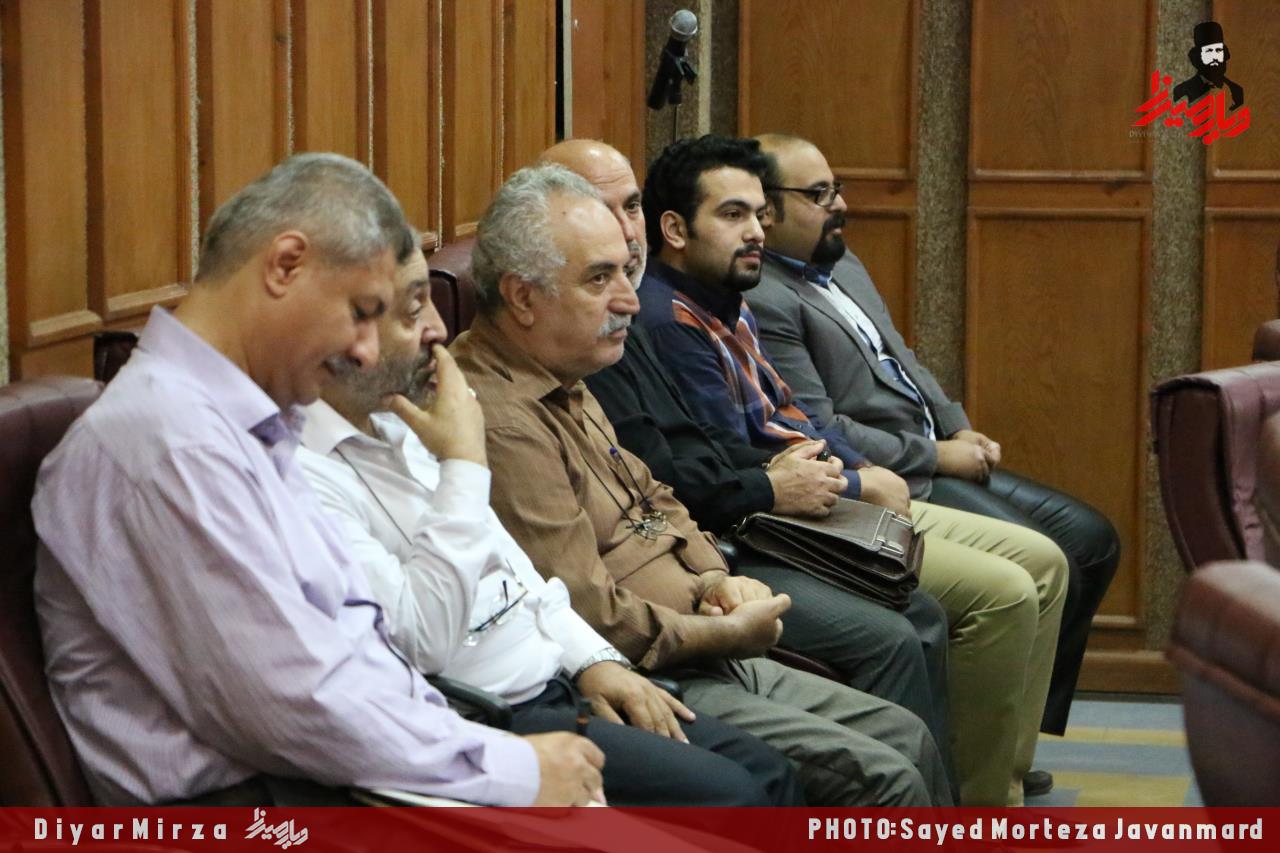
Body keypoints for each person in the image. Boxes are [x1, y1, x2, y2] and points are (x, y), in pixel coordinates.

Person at [32, 153, 604, 807]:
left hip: (348, 774)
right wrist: (510, 769)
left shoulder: (245, 423)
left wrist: (483, 754)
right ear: (285, 266)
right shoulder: (167, 439)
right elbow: (296, 704)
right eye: (362, 311)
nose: (366, 351)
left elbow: (362, 650)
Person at [451, 162, 952, 807]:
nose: (630, 299)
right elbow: (588, 614)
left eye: (623, 273)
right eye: (600, 279)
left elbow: (655, 494)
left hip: (706, 627)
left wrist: (717, 579)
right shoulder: (500, 420)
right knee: (886, 774)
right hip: (656, 670)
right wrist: (728, 631)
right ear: (522, 297)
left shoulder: (565, 369)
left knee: (906, 733)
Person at [635, 134, 1067, 806]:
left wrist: (863, 468)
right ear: (674, 229)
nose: (755, 232)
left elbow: (799, 414)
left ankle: (979, 790)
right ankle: (967, 801)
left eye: (757, 214)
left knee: (1043, 561)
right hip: (772, 523)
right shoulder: (668, 319)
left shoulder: (724, 298)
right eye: (733, 214)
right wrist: (859, 478)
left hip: (824, 488)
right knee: (973, 601)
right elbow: (719, 462)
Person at [295, 242, 803, 806]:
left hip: (561, 673)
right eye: (414, 310)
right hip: (485, 716)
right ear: (343, 331)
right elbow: (424, 643)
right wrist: (464, 462)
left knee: (768, 771)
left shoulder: (397, 419)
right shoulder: (301, 474)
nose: (437, 329)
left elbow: (516, 571)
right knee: (738, 795)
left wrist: (592, 661)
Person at [750, 132, 1120, 739]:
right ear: (767, 209)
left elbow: (901, 357)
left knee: (1093, 540)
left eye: (837, 188)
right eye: (819, 194)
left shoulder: (839, 262)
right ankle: (989, 752)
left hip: (933, 446)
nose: (840, 204)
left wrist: (957, 423)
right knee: (1045, 564)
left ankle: (1020, 733)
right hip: (894, 473)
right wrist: (939, 454)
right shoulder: (765, 297)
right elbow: (824, 428)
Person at [1172, 21, 1243, 109]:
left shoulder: (1236, 90)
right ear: (1199, 56)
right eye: (1209, 51)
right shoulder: (1182, 91)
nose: (1215, 57)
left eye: (1218, 50)